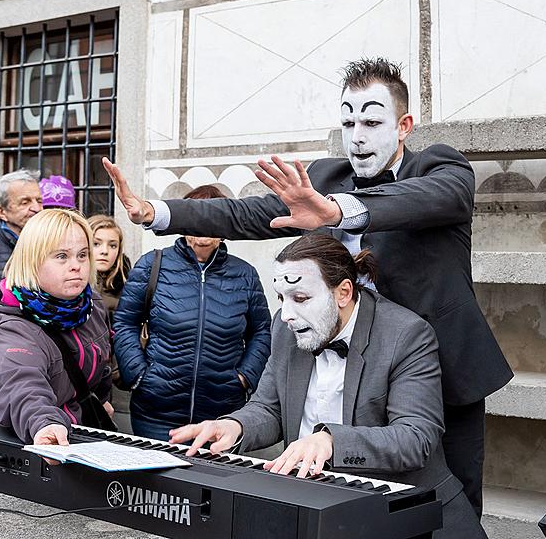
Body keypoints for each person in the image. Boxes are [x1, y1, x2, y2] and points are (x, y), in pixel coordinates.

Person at [103, 57, 512, 516]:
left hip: (442, 366)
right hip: (354, 367)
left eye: (373, 121)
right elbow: (249, 214)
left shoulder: (442, 167)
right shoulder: (325, 175)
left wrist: (335, 211)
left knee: (450, 503)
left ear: (404, 126)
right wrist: (157, 213)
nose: (357, 135)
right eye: (348, 121)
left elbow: (425, 200)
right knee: (357, 490)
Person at [170, 234, 486, 538]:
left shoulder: (406, 334)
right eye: (282, 298)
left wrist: (331, 441)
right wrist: (234, 426)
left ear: (343, 292)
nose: (287, 315)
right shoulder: (284, 329)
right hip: (321, 509)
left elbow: (416, 439)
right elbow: (269, 408)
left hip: (409, 516)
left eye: (302, 298)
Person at [113, 185, 272, 441]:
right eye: (197, 218)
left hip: (221, 416)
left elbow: (261, 331)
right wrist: (139, 375)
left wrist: (244, 378)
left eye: (214, 219)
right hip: (156, 413)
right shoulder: (152, 265)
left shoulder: (245, 274)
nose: (204, 229)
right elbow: (125, 322)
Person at [0, 209, 112, 445]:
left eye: (82, 255)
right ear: (32, 260)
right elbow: (21, 389)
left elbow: (101, 362)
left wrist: (101, 398)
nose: (76, 266)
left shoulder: (91, 306)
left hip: (76, 435)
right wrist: (44, 423)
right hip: (16, 445)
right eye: (61, 256)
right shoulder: (11, 330)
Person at [0, 170, 42, 350]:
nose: (36, 208)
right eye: (25, 202)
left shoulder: (53, 247)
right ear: (1, 211)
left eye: (39, 200)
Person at [87, 215, 131, 323]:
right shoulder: (71, 282)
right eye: (96, 244)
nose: (104, 251)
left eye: (112, 246)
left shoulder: (129, 287)